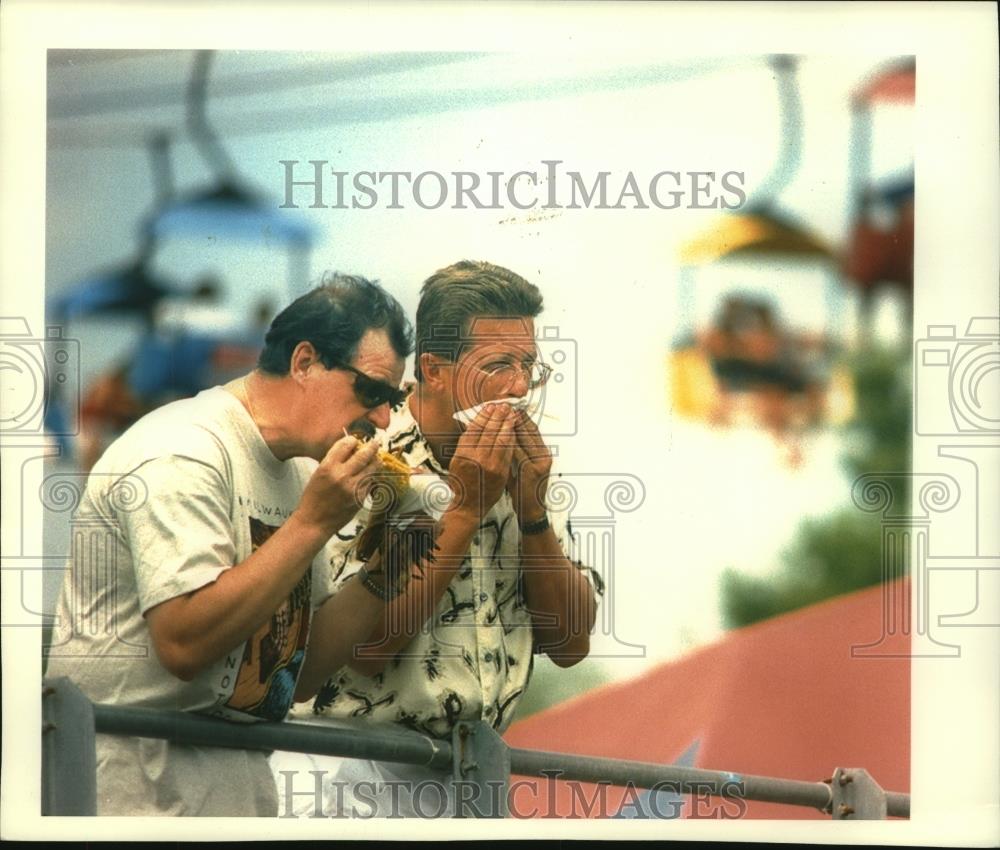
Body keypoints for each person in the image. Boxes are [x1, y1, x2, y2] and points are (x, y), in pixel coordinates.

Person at [44, 274, 416, 816]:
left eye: (394, 400)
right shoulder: (184, 449)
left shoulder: (298, 473)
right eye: (373, 392)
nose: (384, 419)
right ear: (305, 361)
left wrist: (388, 568)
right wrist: (313, 524)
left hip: (234, 785)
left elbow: (299, 672)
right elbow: (184, 644)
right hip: (129, 787)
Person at [273, 260, 602, 818]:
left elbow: (570, 646)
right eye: (498, 366)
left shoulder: (520, 462)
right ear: (435, 368)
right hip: (350, 773)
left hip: (472, 772)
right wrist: (466, 507)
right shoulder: (363, 458)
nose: (519, 388)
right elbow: (370, 651)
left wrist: (533, 513)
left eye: (528, 366)